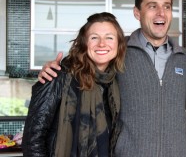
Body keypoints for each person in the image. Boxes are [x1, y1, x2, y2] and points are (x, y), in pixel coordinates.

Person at [36, 0, 186, 157]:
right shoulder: (118, 51)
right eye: (152, 6)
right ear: (137, 13)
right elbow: (85, 63)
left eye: (167, 6)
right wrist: (54, 69)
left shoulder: (185, 57)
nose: (161, 13)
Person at [22, 12, 127, 157]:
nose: (102, 43)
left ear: (119, 44)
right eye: (94, 37)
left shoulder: (116, 81)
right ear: (84, 42)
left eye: (109, 37)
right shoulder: (57, 76)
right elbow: (32, 140)